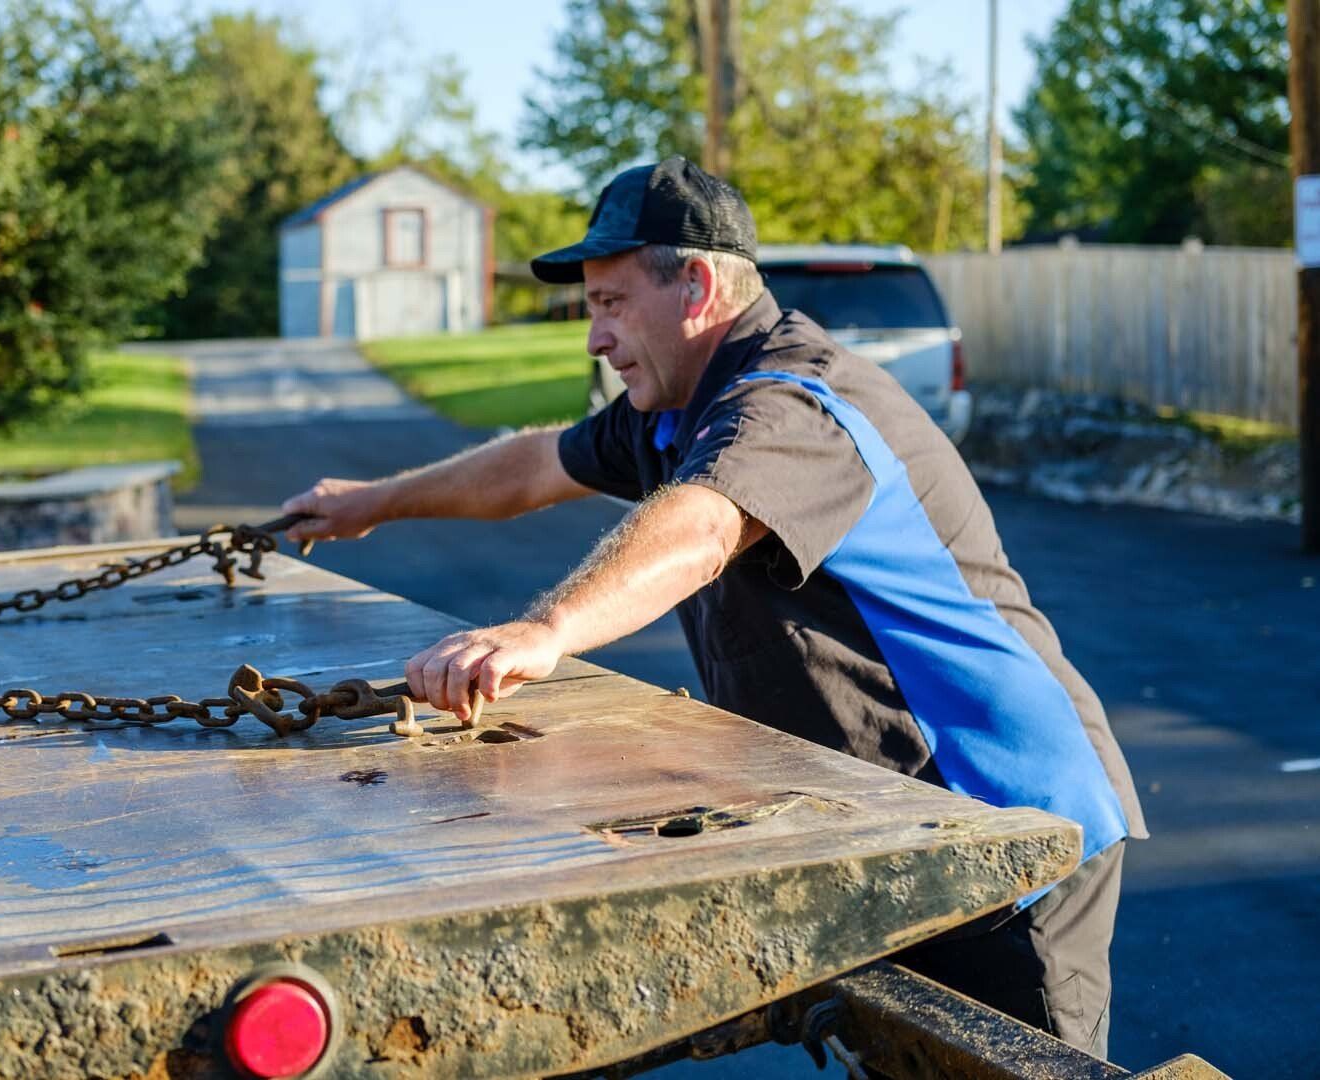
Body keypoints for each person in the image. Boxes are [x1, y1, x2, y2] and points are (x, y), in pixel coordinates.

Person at [280, 156, 1146, 1057]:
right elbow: (535, 465)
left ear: (694, 285)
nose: (595, 338)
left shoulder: (796, 401)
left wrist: (545, 631)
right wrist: (369, 503)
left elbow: (699, 529)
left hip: (1010, 818)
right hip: (908, 824)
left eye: (610, 303)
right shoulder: (671, 407)